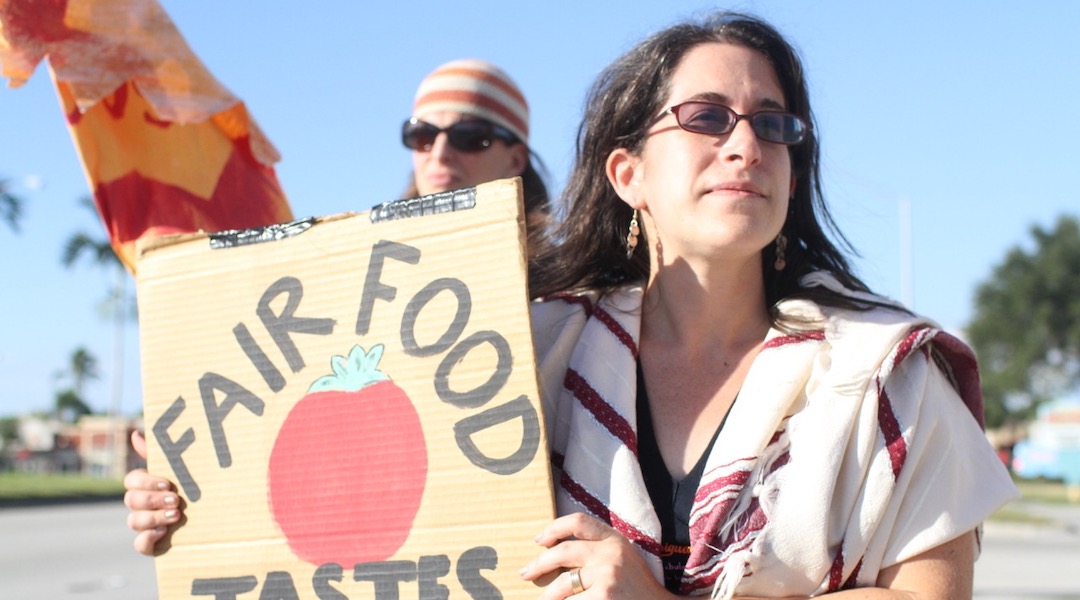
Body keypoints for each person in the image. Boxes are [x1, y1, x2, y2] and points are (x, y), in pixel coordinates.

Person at [125, 13, 1018, 599]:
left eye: (773, 123)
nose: (747, 142)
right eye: (706, 117)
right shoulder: (515, 354)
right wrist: (195, 500)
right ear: (627, 173)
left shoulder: (886, 379)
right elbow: (347, 500)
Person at [398, 58, 552, 248]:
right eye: (423, 135)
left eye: (467, 136)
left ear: (515, 160)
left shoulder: (563, 275)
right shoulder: (374, 268)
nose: (440, 153)